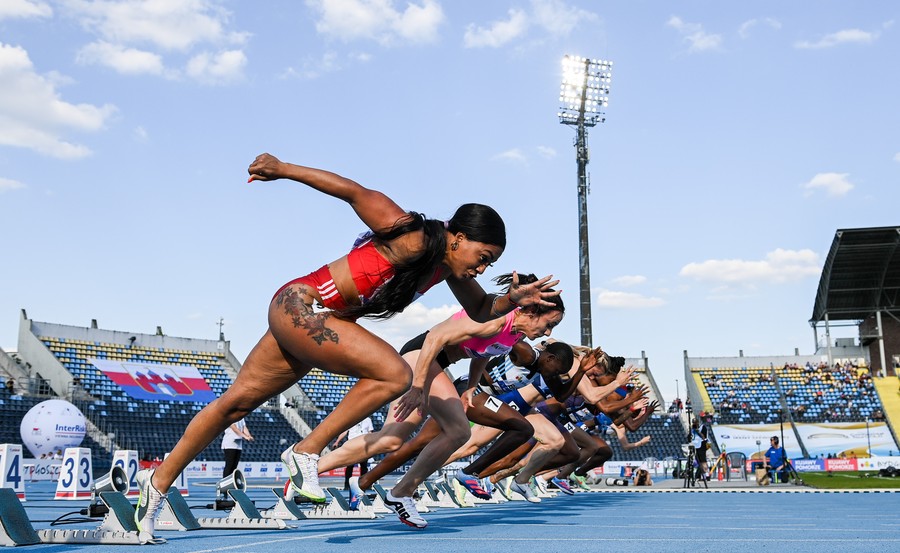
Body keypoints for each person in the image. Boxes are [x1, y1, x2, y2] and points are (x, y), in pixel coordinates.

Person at [133, 153, 559, 538]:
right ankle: (305, 452)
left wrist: (512, 301)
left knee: (235, 404)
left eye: (491, 264)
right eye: (482, 256)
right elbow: (352, 190)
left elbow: (484, 308)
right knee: (395, 373)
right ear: (458, 236)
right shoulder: (408, 231)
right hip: (303, 306)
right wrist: (283, 169)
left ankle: (153, 489)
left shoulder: (448, 271)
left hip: (318, 322)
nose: (482, 267)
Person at [316, 273, 566, 527]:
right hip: (421, 355)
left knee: (390, 440)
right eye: (549, 324)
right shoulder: (496, 320)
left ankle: (309, 470)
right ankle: (401, 492)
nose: (547, 332)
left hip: (435, 363)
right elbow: (435, 337)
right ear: (532, 311)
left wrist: (470, 387)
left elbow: (484, 353)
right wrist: (417, 385)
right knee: (458, 431)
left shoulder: (515, 335)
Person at [332, 416, 374, 490]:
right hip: (352, 444)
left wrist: (370, 444)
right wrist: (337, 441)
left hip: (363, 444)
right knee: (350, 466)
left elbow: (370, 432)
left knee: (364, 467)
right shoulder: (352, 418)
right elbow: (345, 431)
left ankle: (364, 485)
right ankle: (347, 485)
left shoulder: (367, 420)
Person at [689, 417, 709, 482]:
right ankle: (699, 475)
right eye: (693, 423)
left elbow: (704, 437)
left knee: (703, 461)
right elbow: (690, 437)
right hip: (694, 446)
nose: (694, 424)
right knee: (698, 462)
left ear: (698, 423)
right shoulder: (692, 428)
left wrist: (698, 431)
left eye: (695, 423)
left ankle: (706, 476)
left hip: (701, 446)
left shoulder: (703, 427)